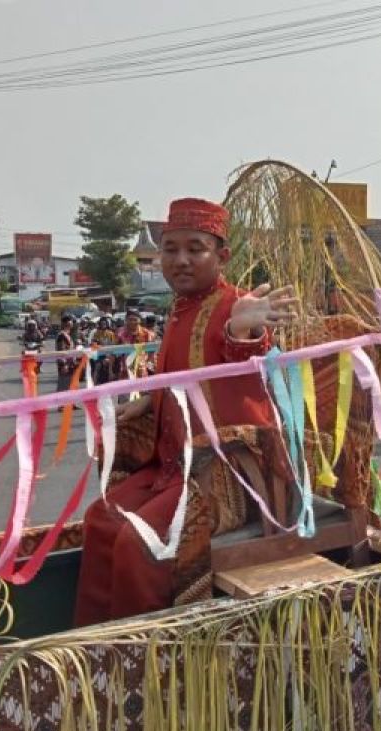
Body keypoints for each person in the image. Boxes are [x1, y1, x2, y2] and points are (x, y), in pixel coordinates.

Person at [74, 198, 296, 624]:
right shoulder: (179, 310)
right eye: (170, 249)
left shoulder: (235, 307)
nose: (180, 260)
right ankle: (97, 646)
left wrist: (241, 327)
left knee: (139, 544)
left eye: (195, 249)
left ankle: (150, 657)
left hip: (227, 472)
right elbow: (182, 379)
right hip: (175, 467)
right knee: (101, 520)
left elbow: (241, 350)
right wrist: (148, 400)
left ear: (222, 256)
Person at [55, 317, 79, 394]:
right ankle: (62, 405)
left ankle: (70, 405)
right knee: (63, 385)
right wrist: (63, 364)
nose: (72, 323)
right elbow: (61, 350)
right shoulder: (62, 335)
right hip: (65, 364)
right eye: (70, 322)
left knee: (70, 384)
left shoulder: (68, 335)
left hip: (71, 363)